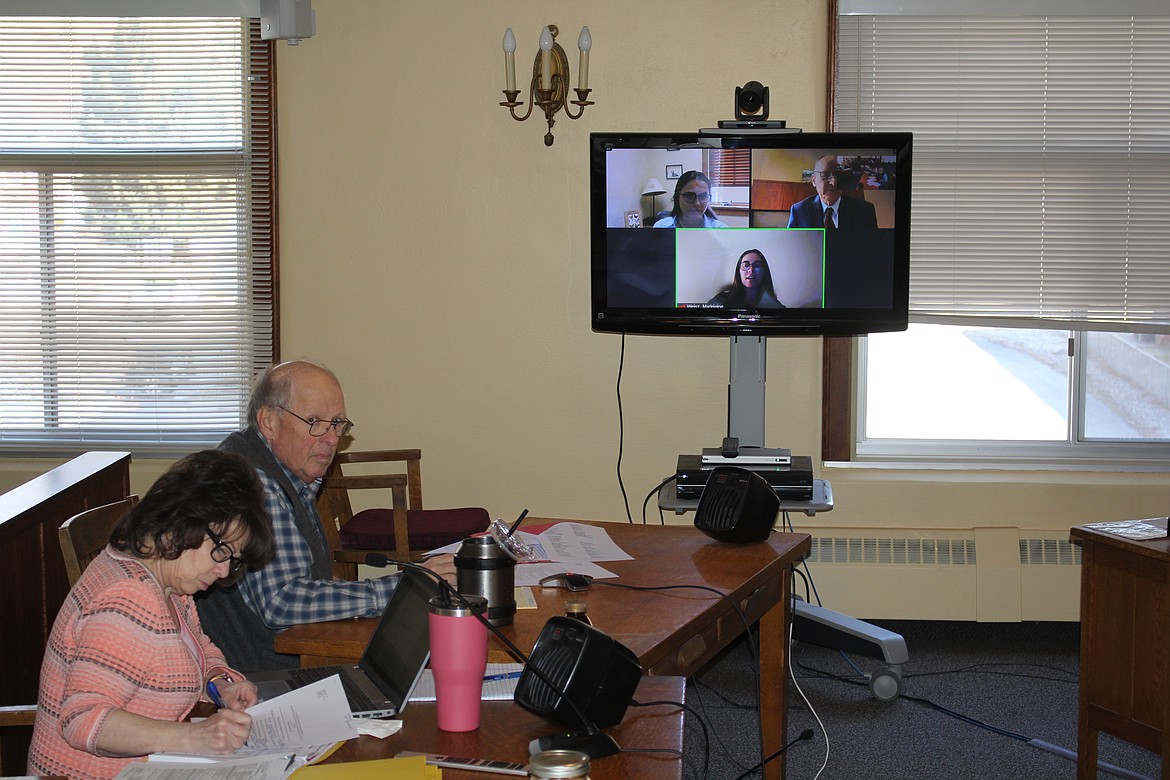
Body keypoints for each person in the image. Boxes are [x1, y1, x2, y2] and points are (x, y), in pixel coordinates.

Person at [195, 359, 457, 671]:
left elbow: (304, 578)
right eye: (314, 422)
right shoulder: (252, 484)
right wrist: (406, 587)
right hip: (259, 677)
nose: (331, 438)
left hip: (289, 653)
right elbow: (283, 601)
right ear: (268, 421)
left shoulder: (286, 472)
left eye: (337, 423)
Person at [28, 450, 275, 780]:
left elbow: (197, 647)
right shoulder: (129, 598)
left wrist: (218, 682)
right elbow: (83, 721)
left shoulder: (168, 580)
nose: (223, 569)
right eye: (221, 551)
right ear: (182, 520)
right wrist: (195, 737)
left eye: (234, 559)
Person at [787, 155, 879, 231]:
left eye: (839, 176)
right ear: (814, 180)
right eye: (825, 175)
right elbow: (791, 246)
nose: (833, 182)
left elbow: (872, 248)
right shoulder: (799, 211)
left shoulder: (865, 211)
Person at [707, 249, 785, 308]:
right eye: (746, 265)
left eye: (757, 265)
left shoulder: (775, 306)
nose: (751, 270)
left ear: (764, 271)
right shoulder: (720, 301)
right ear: (739, 271)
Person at [653, 170, 729, 228]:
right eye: (689, 196)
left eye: (703, 196)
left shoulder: (721, 229)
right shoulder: (661, 227)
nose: (697, 203)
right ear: (678, 197)